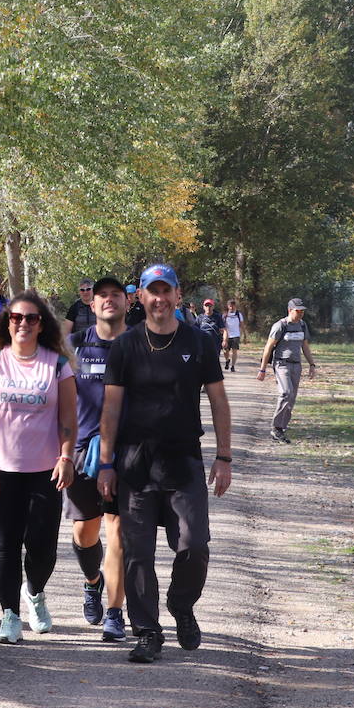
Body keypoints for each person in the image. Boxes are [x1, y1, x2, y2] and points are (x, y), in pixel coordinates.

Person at [97, 263, 232, 664]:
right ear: (141, 296)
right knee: (137, 553)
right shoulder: (125, 346)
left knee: (194, 545)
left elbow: (219, 401)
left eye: (166, 291)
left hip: (184, 460)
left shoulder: (200, 342)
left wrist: (224, 456)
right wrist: (106, 464)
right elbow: (110, 409)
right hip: (136, 463)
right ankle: (148, 632)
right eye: (151, 291)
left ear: (176, 295)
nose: (159, 299)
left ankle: (181, 605)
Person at [0, 290, 77, 643]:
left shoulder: (57, 364)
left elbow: (69, 418)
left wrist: (66, 457)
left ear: (42, 325)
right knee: (4, 546)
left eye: (31, 318)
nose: (23, 323)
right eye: (16, 318)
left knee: (42, 548)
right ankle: (9, 616)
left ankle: (34, 593)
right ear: (7, 323)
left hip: (46, 468)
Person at [66, 276, 129, 642]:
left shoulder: (141, 345)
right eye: (102, 295)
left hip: (126, 452)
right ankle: (93, 581)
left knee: (118, 531)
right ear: (92, 304)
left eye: (115, 295)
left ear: (127, 302)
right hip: (81, 452)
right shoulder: (75, 346)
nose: (108, 300)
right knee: (85, 533)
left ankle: (115, 613)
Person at [257, 298, 318, 443]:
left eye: (302, 311)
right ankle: (276, 427)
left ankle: (281, 429)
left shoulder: (303, 325)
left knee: (292, 398)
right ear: (290, 310)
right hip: (281, 364)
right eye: (298, 311)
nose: (301, 314)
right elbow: (268, 347)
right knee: (286, 393)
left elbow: (305, 346)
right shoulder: (280, 326)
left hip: (297, 365)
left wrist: (312, 365)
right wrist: (262, 369)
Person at [222, 299, 245, 372]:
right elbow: (222, 326)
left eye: (233, 305)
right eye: (230, 306)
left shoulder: (238, 314)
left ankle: (233, 366)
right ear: (228, 306)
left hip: (236, 335)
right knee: (225, 351)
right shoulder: (225, 315)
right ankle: (227, 360)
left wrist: (244, 335)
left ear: (235, 306)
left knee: (234, 351)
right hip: (226, 336)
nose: (231, 307)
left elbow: (242, 325)